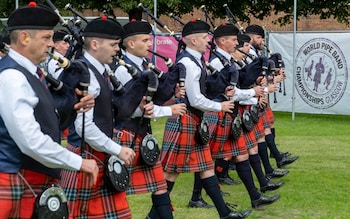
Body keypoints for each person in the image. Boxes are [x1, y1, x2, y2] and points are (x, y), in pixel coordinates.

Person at [0, 2, 99, 218]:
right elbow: (30, 140)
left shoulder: (32, 73)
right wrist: (78, 162)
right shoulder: (12, 77)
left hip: (31, 177)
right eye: (46, 38)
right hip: (15, 178)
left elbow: (48, 122)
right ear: (25, 38)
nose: (51, 44)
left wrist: (74, 108)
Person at [161, 19, 252, 219]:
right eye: (203, 37)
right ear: (192, 40)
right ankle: (154, 214)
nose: (207, 41)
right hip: (184, 121)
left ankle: (225, 214)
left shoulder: (196, 60)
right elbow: (196, 99)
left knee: (207, 167)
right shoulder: (187, 63)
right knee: (171, 172)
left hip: (193, 121)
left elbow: (204, 90)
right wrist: (220, 106)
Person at [60, 16, 136, 219]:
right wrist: (117, 149)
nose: (117, 49)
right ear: (95, 44)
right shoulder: (87, 75)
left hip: (98, 154)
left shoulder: (99, 71)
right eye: (113, 45)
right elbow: (85, 128)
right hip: (87, 155)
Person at [113, 19, 187, 219]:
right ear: (130, 44)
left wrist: (172, 92)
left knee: (160, 185)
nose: (149, 44)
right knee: (118, 187)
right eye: (145, 40)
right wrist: (169, 110)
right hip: (126, 134)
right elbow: (132, 110)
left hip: (142, 132)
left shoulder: (145, 65)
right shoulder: (122, 69)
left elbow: (154, 98)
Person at [205, 23, 281, 209]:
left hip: (229, 111)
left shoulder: (228, 61)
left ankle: (256, 195)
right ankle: (197, 196)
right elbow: (230, 92)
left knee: (239, 154)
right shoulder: (216, 63)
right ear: (222, 42)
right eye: (233, 40)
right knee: (208, 160)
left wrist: (256, 88)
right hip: (218, 112)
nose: (236, 43)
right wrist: (257, 92)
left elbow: (236, 89)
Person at [245, 24, 298, 175]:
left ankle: (272, 162)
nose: (262, 41)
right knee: (250, 141)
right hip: (250, 97)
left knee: (263, 131)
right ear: (252, 37)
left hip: (255, 96)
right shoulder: (250, 55)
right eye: (260, 38)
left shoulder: (254, 53)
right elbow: (249, 79)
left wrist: (272, 77)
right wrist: (271, 80)